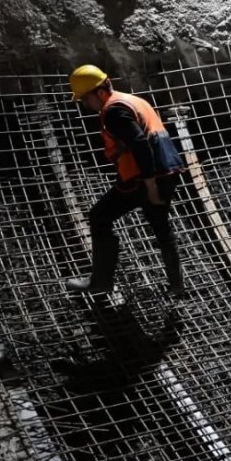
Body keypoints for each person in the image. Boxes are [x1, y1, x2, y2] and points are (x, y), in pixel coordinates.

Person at [64, 65, 187, 296]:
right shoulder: (132, 100)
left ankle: (101, 282)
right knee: (161, 227)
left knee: (99, 217)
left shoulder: (113, 111)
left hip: (145, 177)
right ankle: (177, 286)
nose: (85, 105)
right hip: (168, 171)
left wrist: (149, 185)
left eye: (85, 99)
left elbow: (140, 143)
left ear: (99, 92)